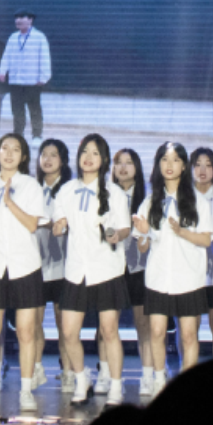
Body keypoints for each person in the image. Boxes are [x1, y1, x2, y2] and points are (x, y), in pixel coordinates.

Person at [53, 133, 132, 403]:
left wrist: (116, 235)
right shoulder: (67, 190)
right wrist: (58, 226)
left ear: (104, 159)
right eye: (85, 151)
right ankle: (81, 378)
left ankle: (116, 386)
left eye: (95, 153)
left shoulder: (114, 192)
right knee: (68, 332)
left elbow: (124, 228)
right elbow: (59, 222)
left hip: (106, 269)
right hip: (76, 269)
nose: (88, 157)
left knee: (109, 331)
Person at [0, 133, 47, 409]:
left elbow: (32, 225)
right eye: (4, 148)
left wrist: (9, 202)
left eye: (15, 149)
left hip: (25, 265)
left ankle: (26, 391)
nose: (8, 153)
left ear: (23, 156)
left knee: (26, 332)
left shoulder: (30, 185)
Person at [133, 141, 213, 380]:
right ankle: (159, 380)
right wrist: (145, 233)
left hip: (189, 278)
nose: (170, 165)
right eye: (165, 160)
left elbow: (206, 239)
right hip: (158, 277)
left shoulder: (197, 201)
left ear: (184, 166)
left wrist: (182, 232)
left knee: (188, 335)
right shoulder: (150, 201)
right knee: (157, 332)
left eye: (176, 160)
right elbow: (142, 247)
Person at [112, 147, 158, 391]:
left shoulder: (148, 199)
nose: (123, 167)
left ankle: (148, 375)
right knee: (107, 326)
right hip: (111, 266)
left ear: (137, 168)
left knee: (144, 324)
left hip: (140, 267)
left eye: (128, 162)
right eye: (118, 162)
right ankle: (107, 375)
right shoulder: (105, 196)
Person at [34, 139, 70, 391]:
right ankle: (35, 368)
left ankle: (67, 370)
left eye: (53, 155)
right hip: (34, 264)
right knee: (33, 322)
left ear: (63, 161)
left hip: (63, 266)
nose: (47, 159)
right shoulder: (32, 188)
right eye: (43, 154)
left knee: (64, 324)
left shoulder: (69, 190)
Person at [187, 148, 213, 362]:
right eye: (197, 165)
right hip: (189, 270)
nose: (202, 170)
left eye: (208, 165)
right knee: (188, 330)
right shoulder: (183, 198)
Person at [0, 9, 51, 141]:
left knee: (34, 109)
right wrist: (2, 71)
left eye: (22, 17)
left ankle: (37, 135)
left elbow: (45, 58)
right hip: (15, 81)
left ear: (30, 20)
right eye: (16, 18)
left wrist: (44, 77)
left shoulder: (39, 37)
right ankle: (18, 135)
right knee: (17, 110)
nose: (18, 20)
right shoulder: (13, 37)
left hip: (33, 81)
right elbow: (6, 56)